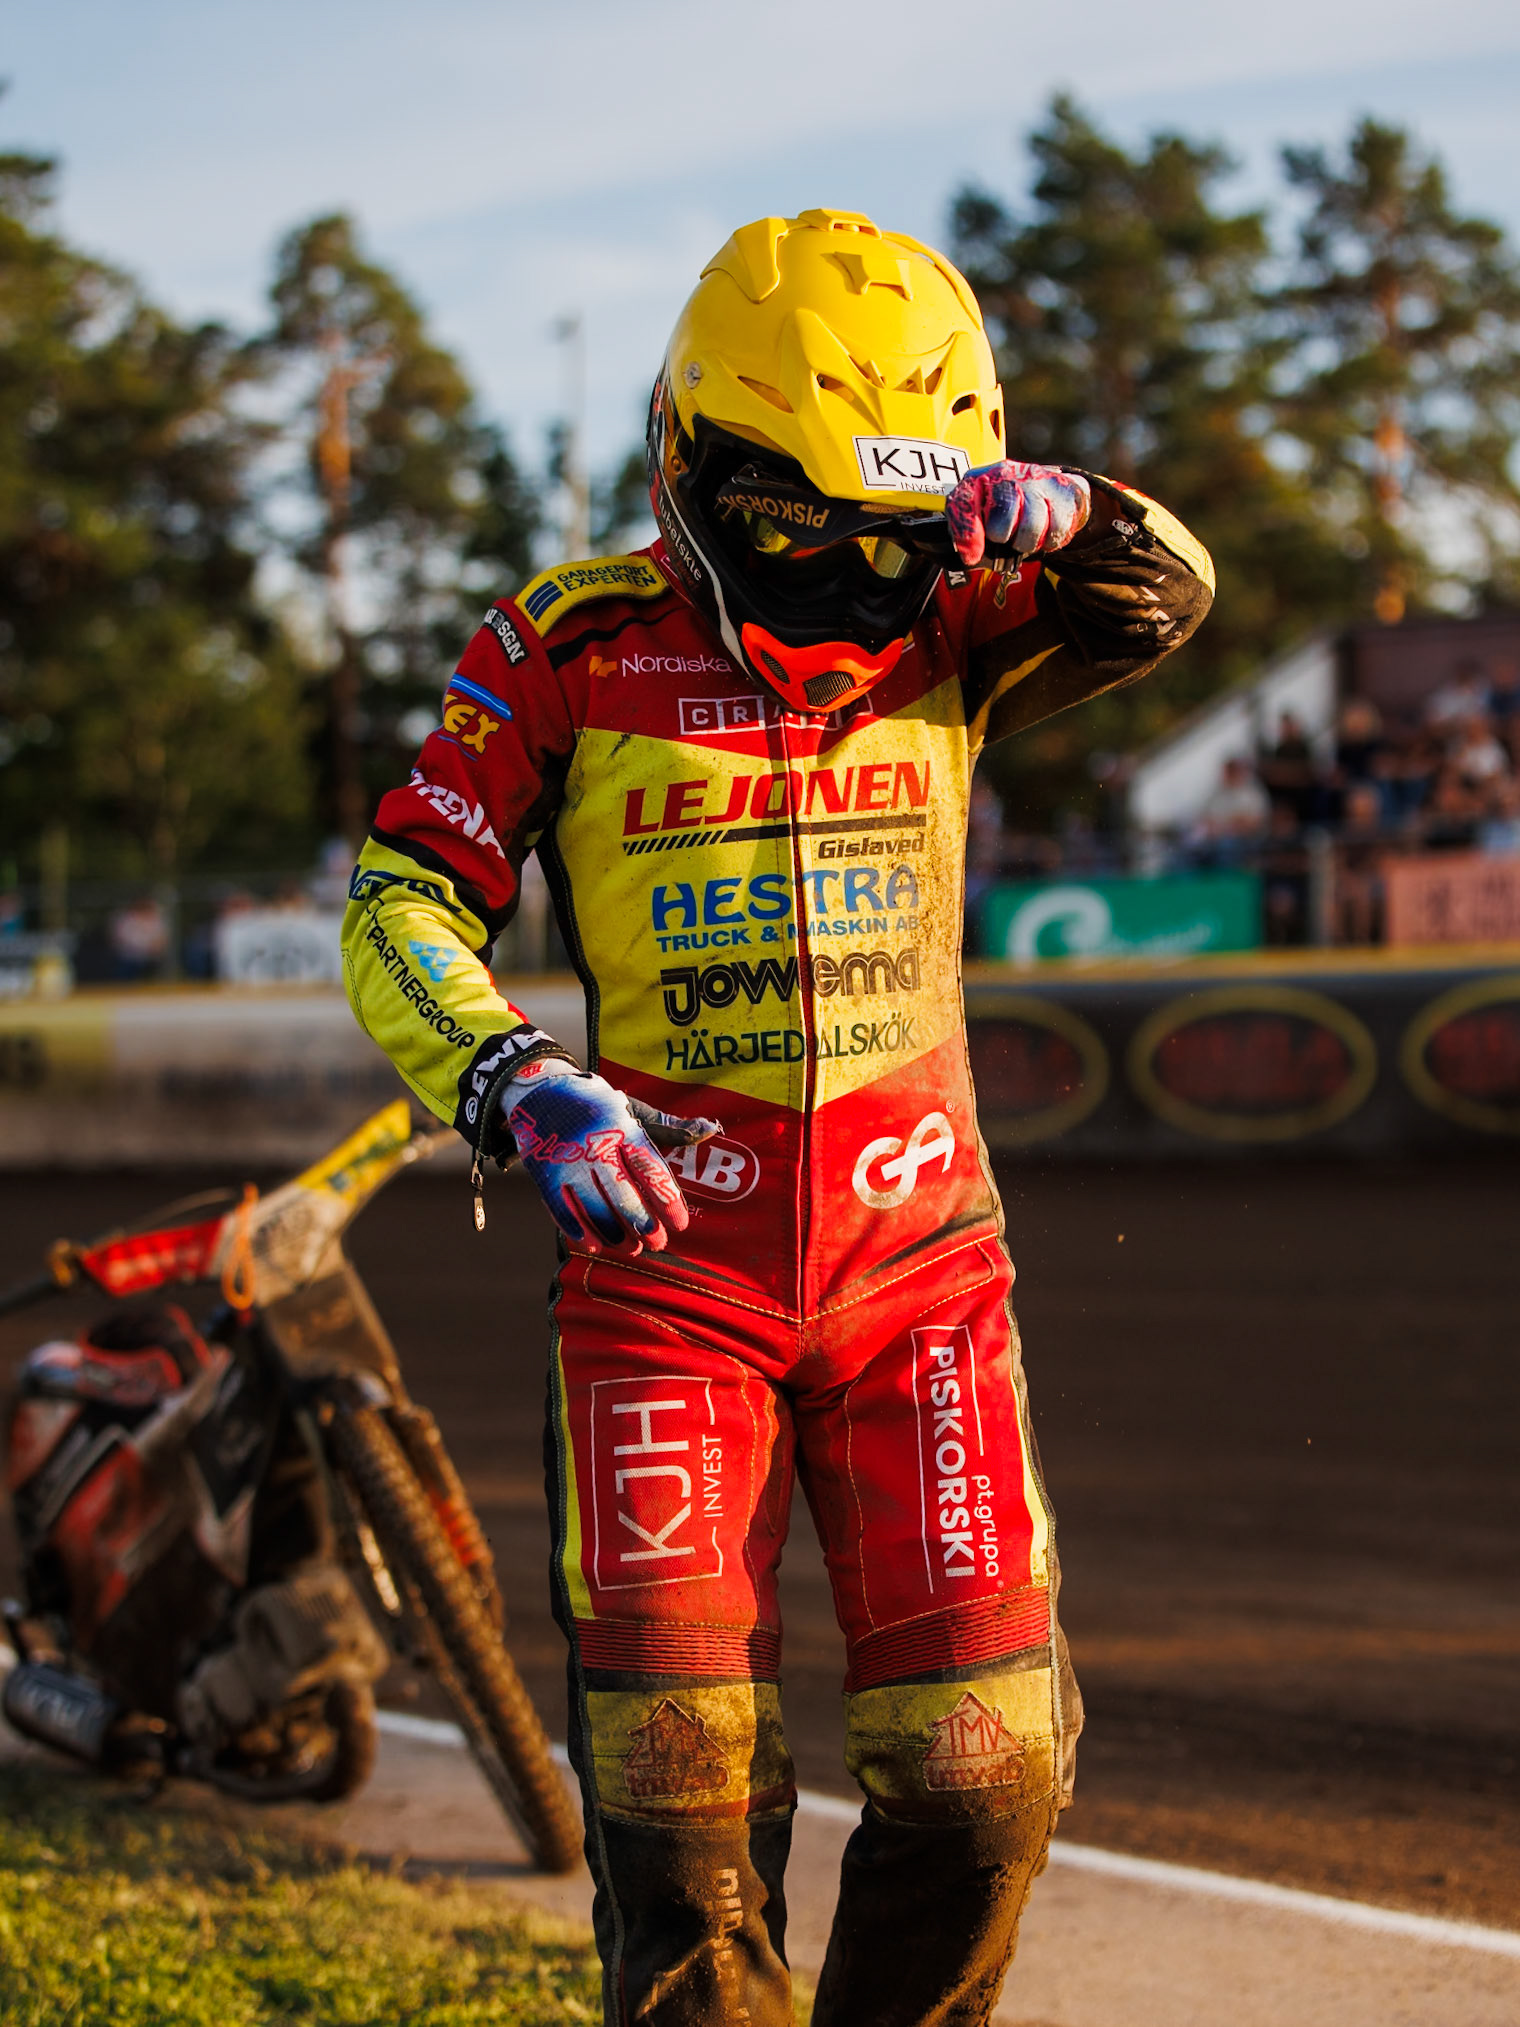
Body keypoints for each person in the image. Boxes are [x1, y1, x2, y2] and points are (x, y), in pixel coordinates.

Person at [341, 208, 1213, 2027]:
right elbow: (401, 896)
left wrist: (1067, 513)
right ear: (692, 465)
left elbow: (1170, 593)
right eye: (796, 525)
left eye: (891, 536)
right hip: (665, 1288)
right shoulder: (569, 644)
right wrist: (511, 1080)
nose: (847, 580)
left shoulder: (967, 621)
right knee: (675, 1814)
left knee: (986, 1775)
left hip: (921, 1274)